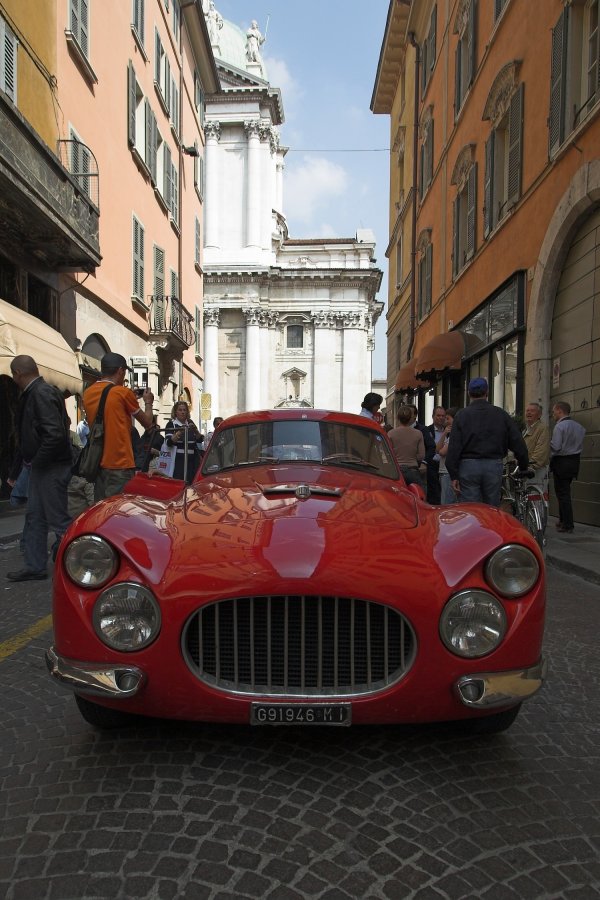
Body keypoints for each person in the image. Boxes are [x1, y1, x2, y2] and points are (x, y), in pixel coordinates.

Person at [7, 355, 73, 581]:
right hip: (45, 465)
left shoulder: (40, 394)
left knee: (58, 519)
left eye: (13, 376)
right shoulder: (42, 392)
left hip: (50, 466)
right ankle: (35, 566)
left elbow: (54, 434)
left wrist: (37, 462)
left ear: (18, 374)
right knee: (36, 517)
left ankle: (83, 562)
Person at [446, 377, 529, 507]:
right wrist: (524, 464)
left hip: (468, 466)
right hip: (493, 464)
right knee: (491, 507)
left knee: (471, 508)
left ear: (469, 393)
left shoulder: (461, 415)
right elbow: (517, 441)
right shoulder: (501, 414)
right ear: (487, 392)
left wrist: (453, 474)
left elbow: (454, 447)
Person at [83, 352, 154, 501]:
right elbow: (147, 423)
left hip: (98, 463)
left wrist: (129, 398)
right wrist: (148, 402)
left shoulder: (88, 393)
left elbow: (109, 409)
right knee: (119, 511)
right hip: (120, 463)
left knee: (102, 511)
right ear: (120, 370)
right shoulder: (123, 393)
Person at [549, 401, 586, 533]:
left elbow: (556, 447)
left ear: (559, 410)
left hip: (562, 462)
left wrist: (548, 452)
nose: (553, 414)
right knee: (564, 491)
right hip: (574, 461)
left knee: (562, 493)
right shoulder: (579, 427)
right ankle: (563, 520)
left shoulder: (559, 427)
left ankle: (567, 523)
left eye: (554, 412)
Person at [387, 405, 425, 487]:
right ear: (411, 418)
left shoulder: (391, 433)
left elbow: (387, 454)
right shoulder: (418, 433)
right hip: (413, 469)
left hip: (396, 471)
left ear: (398, 417)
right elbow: (421, 455)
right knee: (419, 494)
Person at [165, 401, 203, 482]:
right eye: (180, 410)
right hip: (177, 462)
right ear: (175, 412)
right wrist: (180, 431)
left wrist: (195, 430)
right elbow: (168, 443)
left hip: (192, 462)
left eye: (184, 410)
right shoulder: (171, 424)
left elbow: (200, 440)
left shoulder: (190, 422)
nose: (182, 412)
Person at [523, 402, 550, 495]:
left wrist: (531, 465)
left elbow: (541, 452)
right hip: (527, 470)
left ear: (539, 415)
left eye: (532, 411)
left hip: (535, 470)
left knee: (536, 501)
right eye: (527, 411)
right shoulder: (527, 429)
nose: (529, 413)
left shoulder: (542, 428)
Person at [437, 407, 460, 504]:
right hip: (444, 472)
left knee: (447, 503)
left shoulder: (455, 436)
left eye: (448, 418)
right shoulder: (449, 435)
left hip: (447, 473)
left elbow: (442, 452)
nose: (445, 421)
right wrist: (444, 434)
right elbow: (437, 449)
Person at [424, 406, 446, 504]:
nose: (441, 418)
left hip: (445, 465)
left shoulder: (449, 431)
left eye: (443, 416)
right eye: (438, 415)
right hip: (432, 464)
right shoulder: (426, 430)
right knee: (434, 491)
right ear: (433, 416)